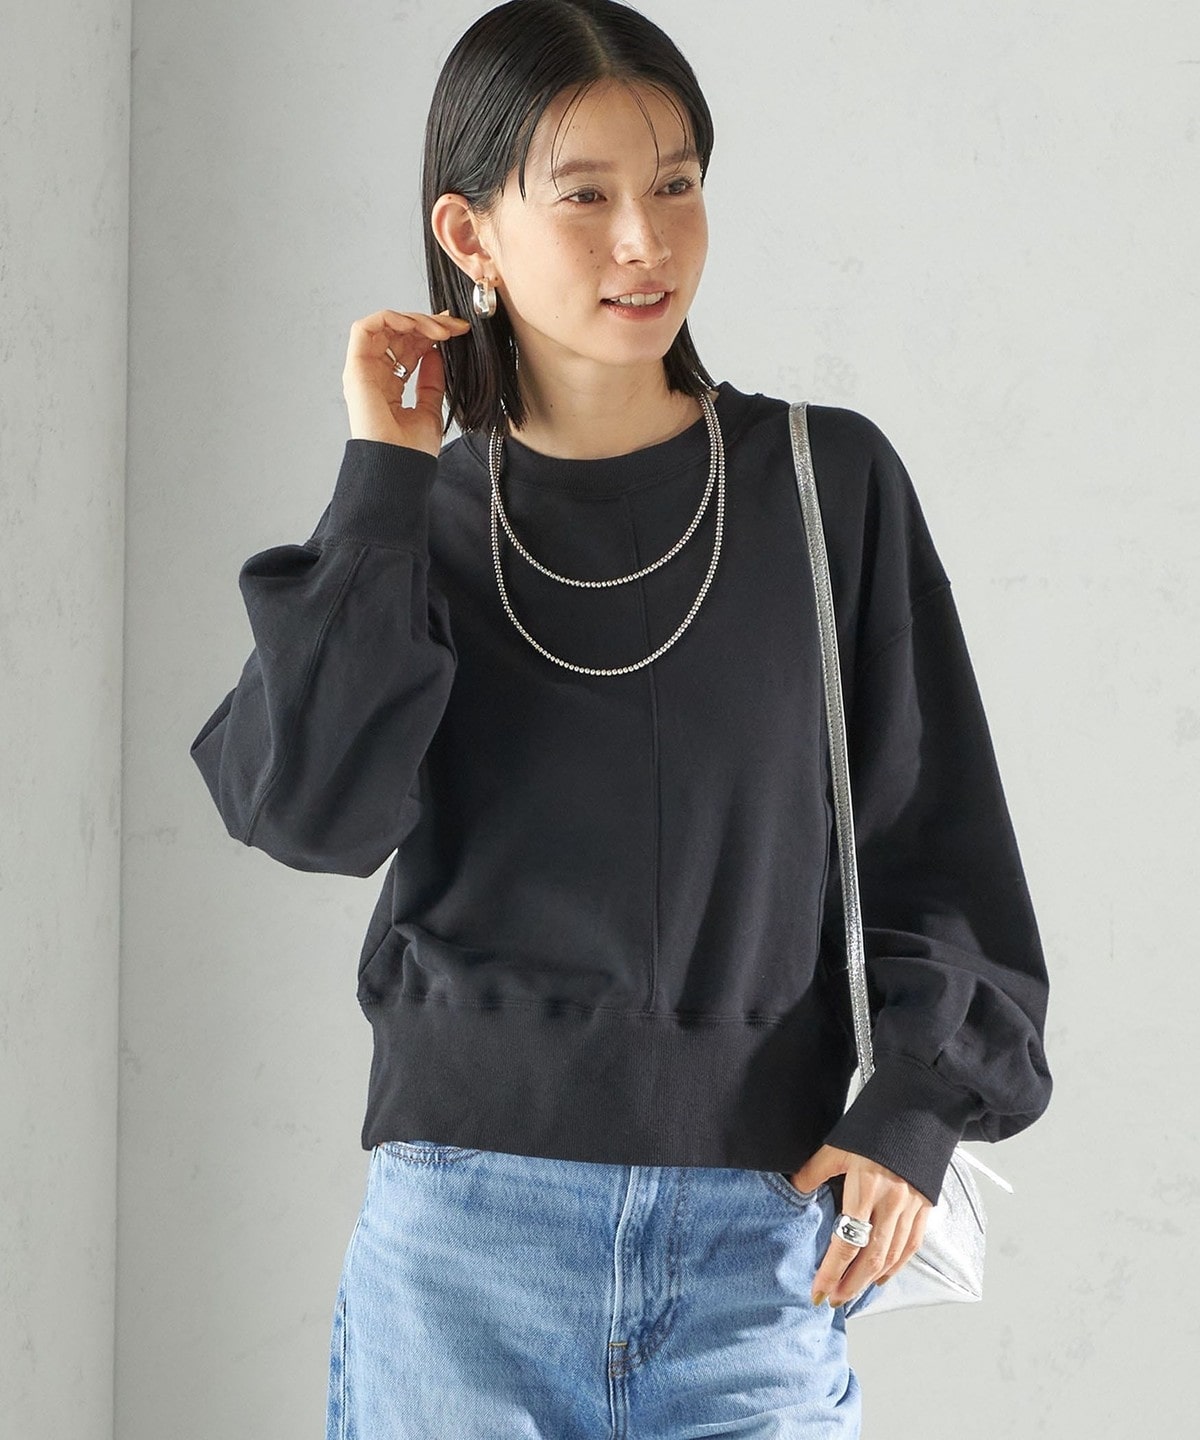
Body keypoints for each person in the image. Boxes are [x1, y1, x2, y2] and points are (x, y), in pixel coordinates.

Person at [189, 1, 1053, 1435]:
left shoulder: (822, 486)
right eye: (584, 197)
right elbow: (306, 812)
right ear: (470, 234)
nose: (645, 240)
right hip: (462, 1252)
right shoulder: (419, 528)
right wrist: (381, 477)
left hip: (760, 1251)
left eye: (676, 183)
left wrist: (912, 1110)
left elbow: (938, 838)